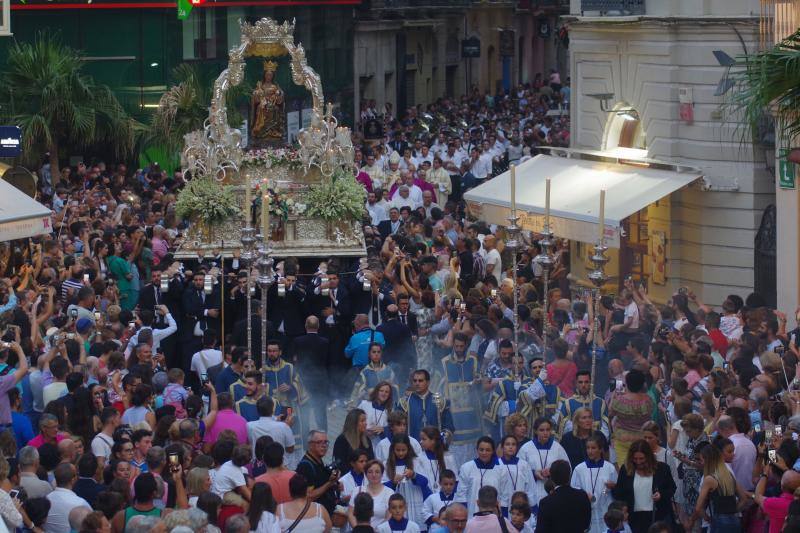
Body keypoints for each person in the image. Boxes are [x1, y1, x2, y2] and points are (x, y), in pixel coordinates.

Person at [611, 440, 676, 533]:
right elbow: (620, 493)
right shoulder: (625, 470)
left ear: (648, 456)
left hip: (657, 516)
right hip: (634, 518)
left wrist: (661, 494)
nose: (638, 462)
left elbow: (671, 488)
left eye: (641, 458)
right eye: (635, 459)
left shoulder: (662, 469)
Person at [685, 444, 749, 533]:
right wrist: (733, 511)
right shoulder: (728, 475)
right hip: (735, 520)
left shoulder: (709, 479)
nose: (701, 463)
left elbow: (698, 508)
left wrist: (707, 519)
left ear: (707, 460)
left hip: (719, 520)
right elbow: (744, 499)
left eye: (701, 459)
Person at [518, 417, 569, 511]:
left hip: (553, 490)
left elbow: (566, 469)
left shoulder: (557, 448)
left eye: (548, 430)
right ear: (535, 431)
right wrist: (534, 473)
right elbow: (519, 471)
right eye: (541, 430)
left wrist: (552, 472)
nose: (545, 433)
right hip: (532, 490)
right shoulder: (526, 448)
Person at [570, 435, 617, 533]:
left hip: (605, 508)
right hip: (586, 510)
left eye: (593, 448)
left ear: (600, 449)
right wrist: (583, 495)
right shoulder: (579, 469)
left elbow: (617, 488)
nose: (590, 451)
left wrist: (613, 486)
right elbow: (573, 490)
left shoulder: (609, 468)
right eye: (588, 448)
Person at [608, 370, 654, 464]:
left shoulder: (619, 399)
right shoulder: (648, 400)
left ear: (627, 383)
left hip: (622, 439)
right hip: (641, 439)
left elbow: (610, 413)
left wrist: (614, 396)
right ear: (642, 384)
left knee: (624, 469)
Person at [455, 436, 501, 517]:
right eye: (481, 450)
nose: (484, 453)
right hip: (472, 511)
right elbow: (461, 494)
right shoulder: (466, 467)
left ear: (493, 451)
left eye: (487, 450)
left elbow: (503, 494)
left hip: (493, 513)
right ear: (477, 450)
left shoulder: (500, 469)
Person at [45, 463, 92, 533]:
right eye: (76, 474)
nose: (78, 477)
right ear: (73, 480)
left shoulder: (46, 499)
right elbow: (94, 525)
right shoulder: (81, 504)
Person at [349, 460, 393, 531]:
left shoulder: (389, 492)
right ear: (365, 474)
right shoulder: (357, 490)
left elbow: (389, 516)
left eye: (377, 472)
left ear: (382, 474)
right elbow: (350, 513)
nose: (374, 475)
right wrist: (359, 530)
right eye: (370, 472)